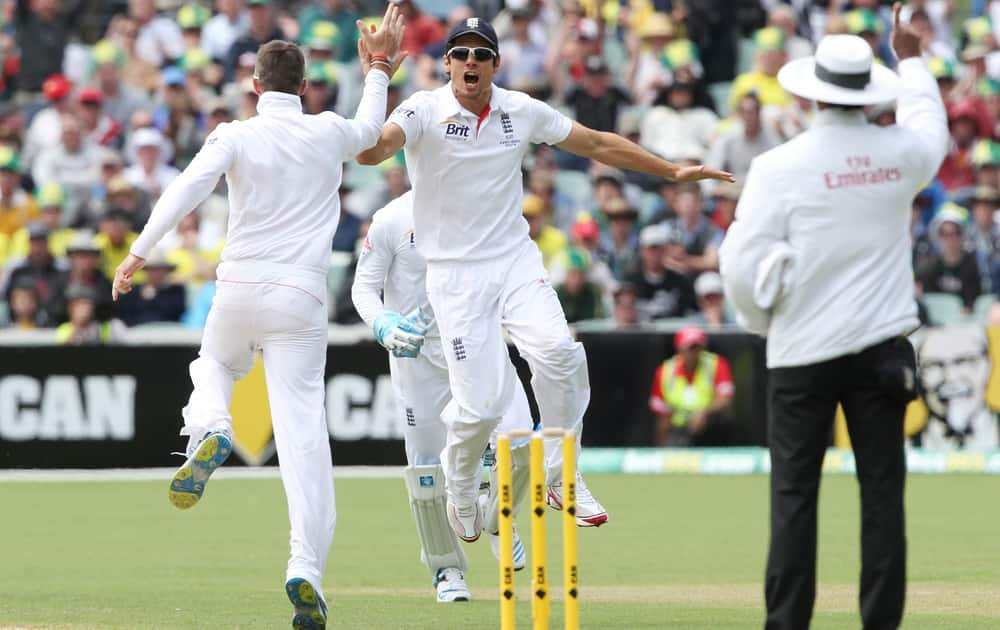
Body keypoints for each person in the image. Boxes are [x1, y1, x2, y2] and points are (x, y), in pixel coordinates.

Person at [356, 16, 732, 540]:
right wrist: (377, 70)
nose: (470, 63)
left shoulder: (519, 110)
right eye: (460, 54)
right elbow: (368, 151)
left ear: (495, 64)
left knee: (559, 353)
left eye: (480, 55)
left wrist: (670, 172)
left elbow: (597, 144)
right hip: (455, 275)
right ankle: (460, 482)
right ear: (446, 63)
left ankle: (561, 473)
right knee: (481, 406)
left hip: (513, 259)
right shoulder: (422, 108)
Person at [110, 10, 406, 628]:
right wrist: (377, 67)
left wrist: (139, 251)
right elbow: (370, 127)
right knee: (303, 442)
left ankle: (211, 426)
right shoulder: (326, 130)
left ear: (253, 84)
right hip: (299, 301)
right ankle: (306, 569)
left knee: (213, 363)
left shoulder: (233, 134)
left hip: (237, 289)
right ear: (303, 87)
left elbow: (185, 188)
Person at [719, 8, 948, 629]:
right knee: (882, 498)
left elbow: (737, 264)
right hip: (881, 349)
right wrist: (916, 59)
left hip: (801, 351)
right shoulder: (901, 153)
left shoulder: (778, 166)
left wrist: (763, 317)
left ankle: (787, 623)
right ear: (868, 91)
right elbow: (931, 128)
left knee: (793, 500)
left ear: (810, 91)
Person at [351, 190, 535, 603]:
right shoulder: (392, 219)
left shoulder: (481, 203)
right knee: (427, 469)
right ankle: (445, 568)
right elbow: (363, 289)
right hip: (417, 358)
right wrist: (383, 323)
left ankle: (498, 518)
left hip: (477, 343)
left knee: (520, 442)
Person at [649, 324, 734, 446]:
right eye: (690, 348)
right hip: (679, 430)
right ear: (680, 349)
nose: (695, 352)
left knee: (725, 418)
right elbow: (663, 416)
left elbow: (726, 400)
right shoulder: (665, 371)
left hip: (711, 426)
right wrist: (660, 449)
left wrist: (704, 412)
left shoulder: (716, 364)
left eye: (698, 347)